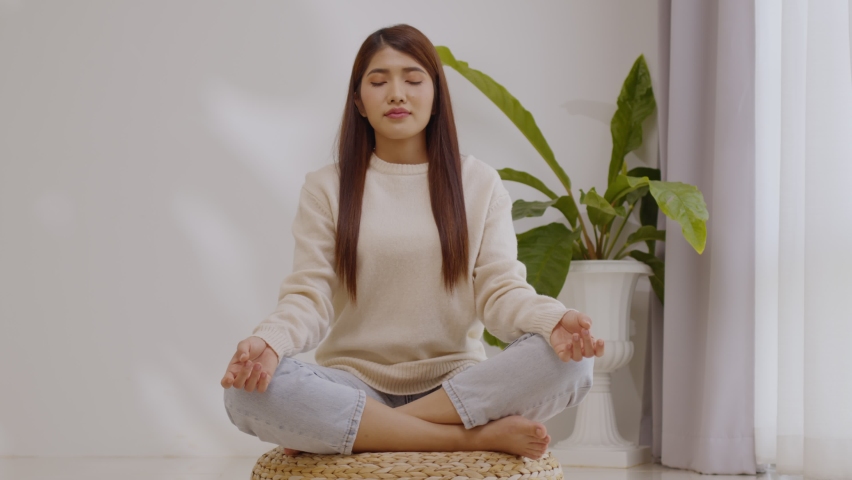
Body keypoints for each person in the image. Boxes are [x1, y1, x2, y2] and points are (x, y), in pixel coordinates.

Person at [221, 23, 603, 461]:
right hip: (354, 385)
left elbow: (502, 291)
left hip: (455, 385)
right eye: (379, 81)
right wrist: (269, 343)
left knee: (571, 363)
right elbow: (310, 297)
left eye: (414, 79)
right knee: (245, 395)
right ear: (359, 103)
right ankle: (466, 438)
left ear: (436, 95)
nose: (397, 94)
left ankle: (365, 431)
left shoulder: (478, 183)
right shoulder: (328, 187)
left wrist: (554, 320)